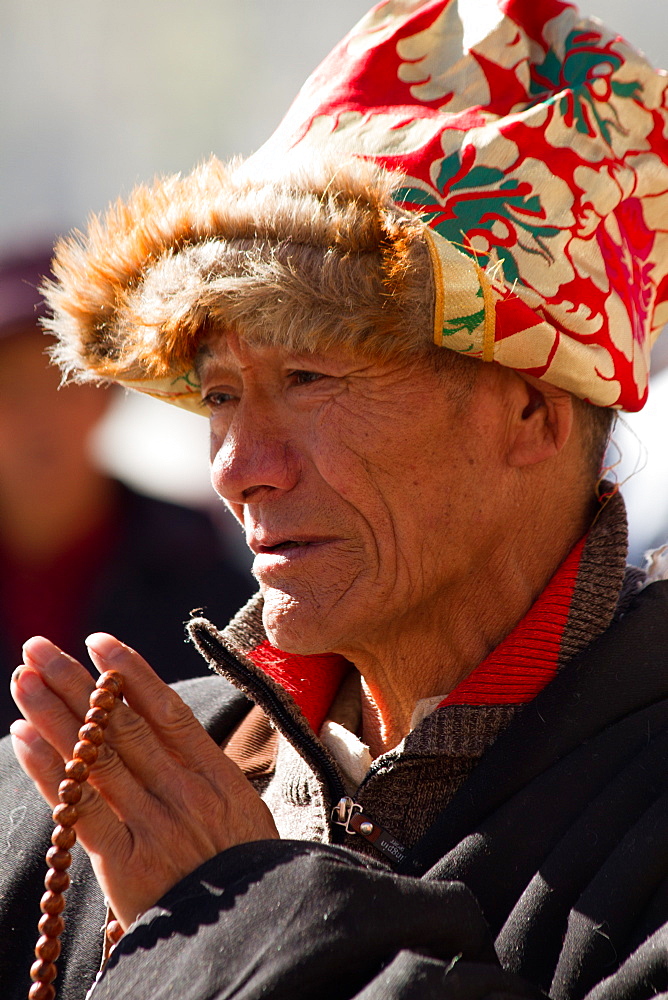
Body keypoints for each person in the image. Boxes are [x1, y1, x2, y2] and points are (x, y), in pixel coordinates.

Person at [2, 2, 668, 998]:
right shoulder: (88, 792)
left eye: (309, 378)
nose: (236, 466)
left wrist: (237, 908)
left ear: (529, 409)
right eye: (219, 393)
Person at [0, 248, 255, 733]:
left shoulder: (197, 555)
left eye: (59, 382)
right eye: (9, 387)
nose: (38, 418)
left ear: (107, 392)